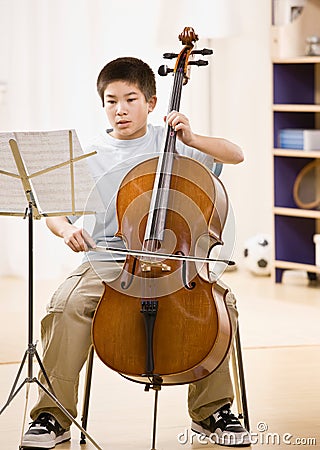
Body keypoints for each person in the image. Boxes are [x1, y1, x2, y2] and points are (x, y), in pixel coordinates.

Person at [22, 56, 250, 448]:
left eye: (130, 99)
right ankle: (52, 415)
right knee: (66, 305)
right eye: (111, 101)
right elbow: (55, 213)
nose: (121, 109)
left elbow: (235, 154)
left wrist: (193, 139)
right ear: (103, 105)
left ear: (152, 102)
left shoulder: (174, 141)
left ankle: (213, 410)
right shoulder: (90, 154)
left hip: (174, 260)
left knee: (220, 305)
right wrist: (67, 230)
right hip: (109, 258)